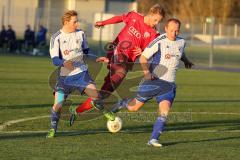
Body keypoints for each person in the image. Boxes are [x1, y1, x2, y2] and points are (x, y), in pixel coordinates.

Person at [69, 4, 166, 125]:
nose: (156, 23)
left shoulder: (154, 34)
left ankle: (76, 110)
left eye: (159, 21)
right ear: (150, 14)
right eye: (155, 19)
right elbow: (119, 18)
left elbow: (150, 52)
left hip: (126, 62)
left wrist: (143, 52)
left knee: (103, 94)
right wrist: (103, 23)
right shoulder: (135, 16)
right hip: (117, 51)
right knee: (120, 72)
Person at [110, 18, 194, 147]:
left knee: (164, 113)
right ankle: (122, 103)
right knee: (133, 108)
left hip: (169, 85)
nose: (174, 33)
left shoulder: (181, 42)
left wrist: (186, 61)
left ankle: (153, 139)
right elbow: (143, 57)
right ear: (166, 29)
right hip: (154, 80)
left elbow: (180, 53)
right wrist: (146, 72)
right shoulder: (159, 41)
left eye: (177, 31)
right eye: (172, 30)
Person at [46, 10, 114, 138]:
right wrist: (64, 63)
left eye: (77, 21)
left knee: (96, 96)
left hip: (81, 74)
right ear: (66, 22)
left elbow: (86, 54)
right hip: (64, 77)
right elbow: (54, 59)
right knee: (58, 105)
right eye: (74, 22)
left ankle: (106, 112)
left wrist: (96, 58)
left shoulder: (81, 34)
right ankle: (53, 129)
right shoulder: (56, 37)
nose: (77, 24)